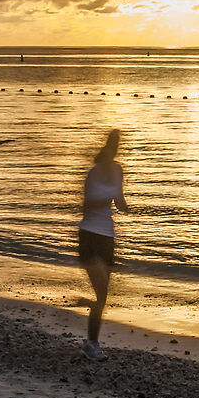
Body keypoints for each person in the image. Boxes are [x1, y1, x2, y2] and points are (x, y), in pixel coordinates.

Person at [76, 130, 129, 358]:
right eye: (111, 148)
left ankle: (91, 338)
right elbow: (86, 207)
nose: (113, 153)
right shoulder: (93, 174)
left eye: (116, 148)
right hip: (89, 236)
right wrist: (106, 200)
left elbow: (120, 201)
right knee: (102, 294)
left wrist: (130, 208)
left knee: (103, 295)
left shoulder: (118, 170)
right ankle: (91, 343)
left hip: (108, 237)